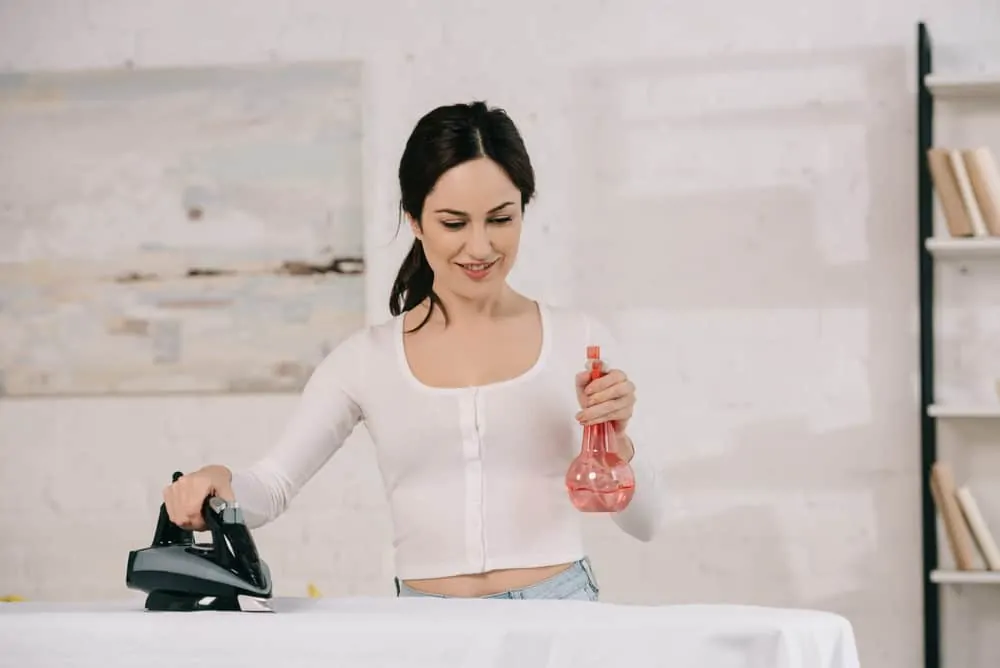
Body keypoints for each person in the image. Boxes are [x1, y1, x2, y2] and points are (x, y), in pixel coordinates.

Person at [163, 100, 664, 601]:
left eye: (500, 219)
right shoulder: (366, 359)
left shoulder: (579, 341)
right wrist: (217, 483)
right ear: (416, 221)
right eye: (453, 223)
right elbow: (270, 488)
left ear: (522, 210)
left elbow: (646, 524)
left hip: (562, 609)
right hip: (425, 626)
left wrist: (618, 445)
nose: (480, 246)